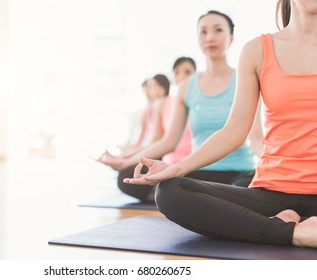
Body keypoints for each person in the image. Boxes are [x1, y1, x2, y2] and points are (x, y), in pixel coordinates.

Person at [124, 2, 317, 248]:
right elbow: (235, 131)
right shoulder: (257, 50)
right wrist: (177, 168)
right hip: (272, 193)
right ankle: (294, 233)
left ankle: (274, 227)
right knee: (170, 192)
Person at [99, 10, 261, 203]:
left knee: (247, 189)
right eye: (203, 32)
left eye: (218, 30)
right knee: (139, 181)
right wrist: (126, 161)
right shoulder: (186, 87)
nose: (210, 37)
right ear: (197, 38)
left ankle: (209, 204)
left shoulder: (245, 78)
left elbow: (256, 137)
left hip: (239, 173)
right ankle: (218, 206)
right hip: (199, 171)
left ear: (231, 37)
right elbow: (169, 141)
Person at [118, 75, 170, 159]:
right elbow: (145, 138)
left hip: (160, 151)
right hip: (153, 148)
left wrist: (134, 153)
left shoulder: (161, 104)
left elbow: (157, 137)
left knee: (124, 168)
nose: (154, 90)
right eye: (152, 86)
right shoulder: (152, 107)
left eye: (158, 86)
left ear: (165, 86)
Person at [162, 57, 197, 165]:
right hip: (169, 161)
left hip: (192, 162)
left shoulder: (200, 101)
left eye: (187, 72)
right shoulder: (166, 103)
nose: (182, 76)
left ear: (196, 75)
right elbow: (163, 139)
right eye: (177, 73)